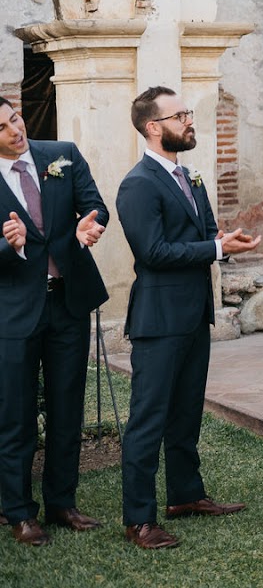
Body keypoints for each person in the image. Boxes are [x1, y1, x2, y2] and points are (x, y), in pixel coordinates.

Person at [117, 86, 261, 549]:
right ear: (153, 127)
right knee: (148, 419)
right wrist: (216, 248)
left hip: (194, 315)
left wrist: (224, 238)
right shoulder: (138, 184)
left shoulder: (190, 178)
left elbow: (199, 236)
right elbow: (154, 252)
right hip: (158, 320)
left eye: (189, 113)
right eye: (180, 115)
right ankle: (139, 519)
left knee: (185, 414)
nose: (190, 121)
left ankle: (186, 495)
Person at [0, 97, 109, 546]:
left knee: (68, 409)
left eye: (15, 118)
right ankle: (20, 511)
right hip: (12, 313)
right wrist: (11, 245)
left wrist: (89, 227)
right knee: (15, 415)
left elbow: (95, 205)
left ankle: (62, 502)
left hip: (67, 302)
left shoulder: (61, 153)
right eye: (4, 128)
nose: (15, 129)